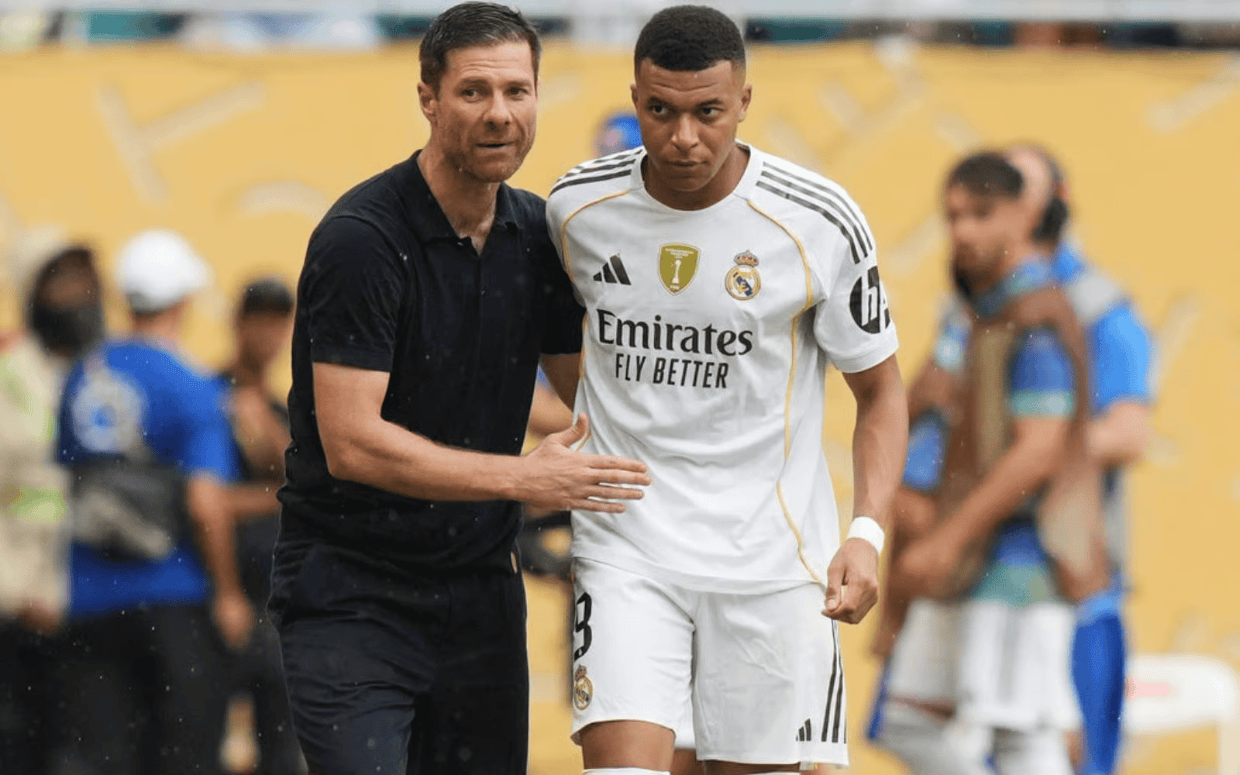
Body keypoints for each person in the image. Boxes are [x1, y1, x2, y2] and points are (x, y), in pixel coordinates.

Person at [269, 4, 650, 775]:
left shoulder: (540, 236)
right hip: (353, 594)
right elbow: (352, 443)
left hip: (481, 597)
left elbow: (597, 403)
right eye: (474, 91)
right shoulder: (362, 239)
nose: (499, 113)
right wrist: (524, 478)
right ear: (428, 99)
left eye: (517, 91)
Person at [545, 7, 908, 773]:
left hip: (771, 560)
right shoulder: (575, 210)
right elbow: (559, 346)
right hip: (627, 551)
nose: (683, 137)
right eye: (660, 110)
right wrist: (595, 431)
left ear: (744, 101)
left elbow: (880, 392)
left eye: (707, 112)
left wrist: (867, 534)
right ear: (635, 97)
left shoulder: (819, 222)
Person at [894, 151, 1106, 775]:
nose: (963, 231)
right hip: (971, 558)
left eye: (982, 214)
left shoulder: (1036, 315)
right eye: (954, 216)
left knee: (1023, 734)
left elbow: (1038, 450)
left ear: (1023, 216)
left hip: (1021, 559)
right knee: (909, 721)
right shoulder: (984, 309)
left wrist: (947, 539)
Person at [54, 228, 251, 775]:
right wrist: (229, 594)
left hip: (89, 600)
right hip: (173, 596)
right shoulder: (191, 384)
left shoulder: (82, 376)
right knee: (184, 757)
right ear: (183, 300)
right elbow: (205, 501)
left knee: (106, 758)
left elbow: (67, 478)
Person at [0, 227, 104, 775]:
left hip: (94, 605)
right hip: (19, 605)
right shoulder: (10, 370)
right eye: (62, 281)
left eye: (86, 280)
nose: (80, 294)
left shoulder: (106, 370)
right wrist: (16, 593)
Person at [216, 278, 303, 775]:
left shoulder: (280, 411)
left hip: (275, 603)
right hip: (215, 597)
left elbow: (305, 488)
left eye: (277, 322)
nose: (268, 334)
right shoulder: (206, 397)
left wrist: (264, 431)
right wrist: (270, 496)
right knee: (201, 744)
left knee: (281, 750)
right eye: (259, 320)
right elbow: (202, 500)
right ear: (238, 322)